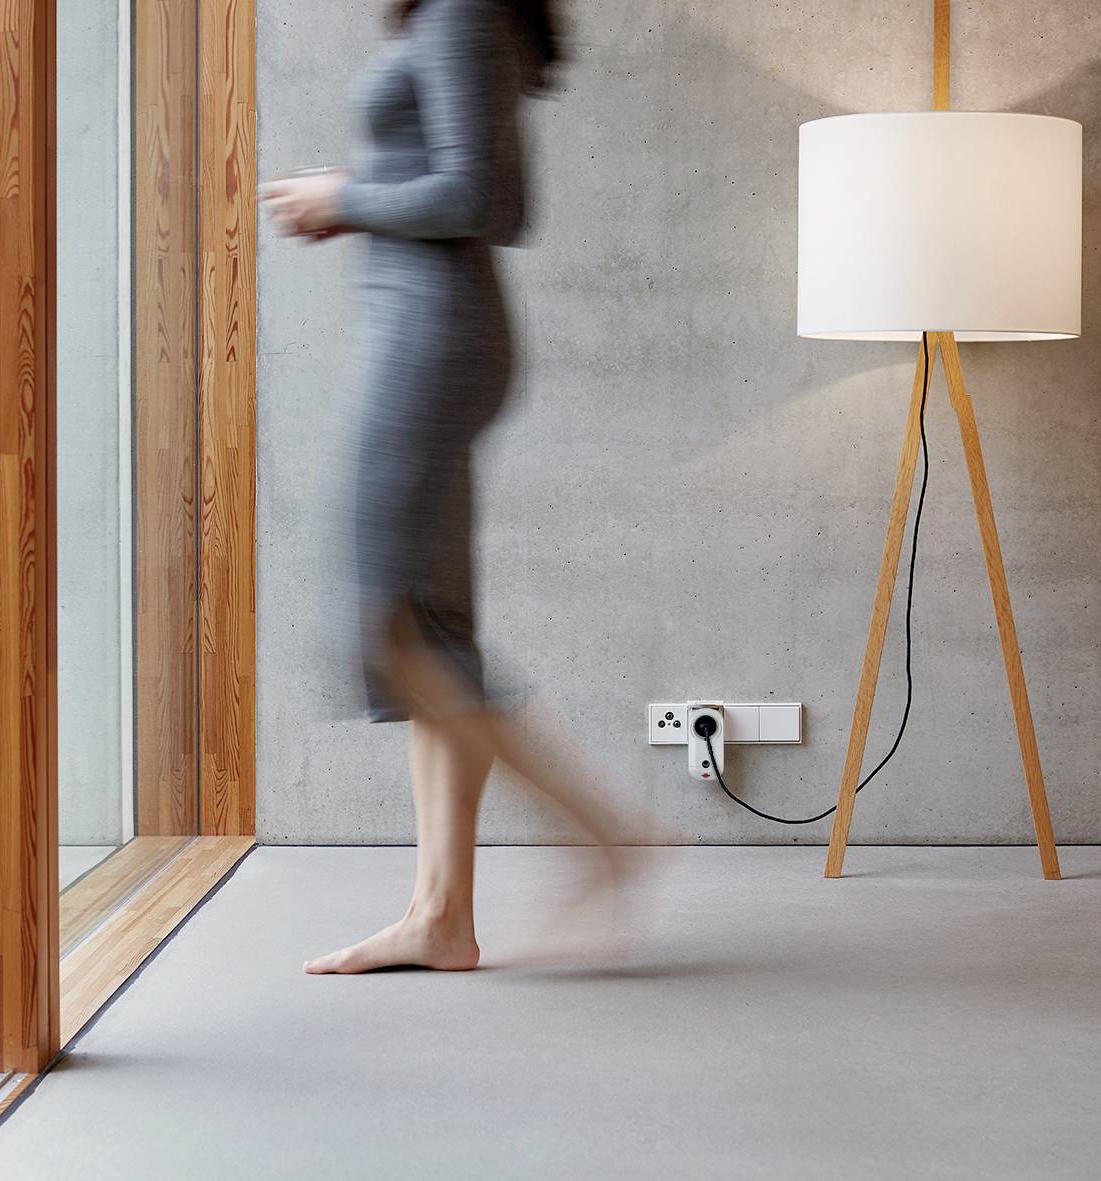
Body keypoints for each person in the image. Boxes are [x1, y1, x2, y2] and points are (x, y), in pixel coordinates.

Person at [262, 0, 632, 975]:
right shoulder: (461, 13)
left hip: (430, 341)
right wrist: (354, 198)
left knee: (382, 623)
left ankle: (602, 833)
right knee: (431, 627)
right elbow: (481, 192)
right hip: (428, 334)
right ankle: (441, 917)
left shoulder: (463, 10)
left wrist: (346, 196)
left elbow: (484, 201)